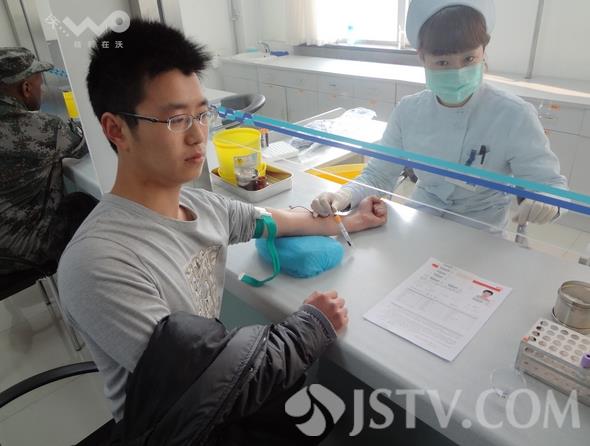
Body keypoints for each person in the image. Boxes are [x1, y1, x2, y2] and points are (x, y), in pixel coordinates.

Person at [57, 20, 387, 444]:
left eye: (202, 114)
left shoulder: (201, 206)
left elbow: (276, 220)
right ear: (116, 130)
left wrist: (353, 220)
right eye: (177, 120)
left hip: (223, 407)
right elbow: (203, 386)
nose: (199, 135)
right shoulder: (99, 261)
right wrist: (312, 325)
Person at [311, 0, 567, 232]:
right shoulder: (409, 111)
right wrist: (343, 196)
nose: (458, 72)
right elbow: (379, 174)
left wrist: (549, 202)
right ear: (423, 58)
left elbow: (549, 183)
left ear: (484, 52)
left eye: (469, 58)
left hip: (480, 227)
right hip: (422, 216)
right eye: (443, 62)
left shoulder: (513, 114)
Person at [0, 47, 94, 274]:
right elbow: (88, 142)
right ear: (26, 88)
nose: (41, 89)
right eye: (39, 84)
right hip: (20, 249)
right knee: (84, 206)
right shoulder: (41, 128)